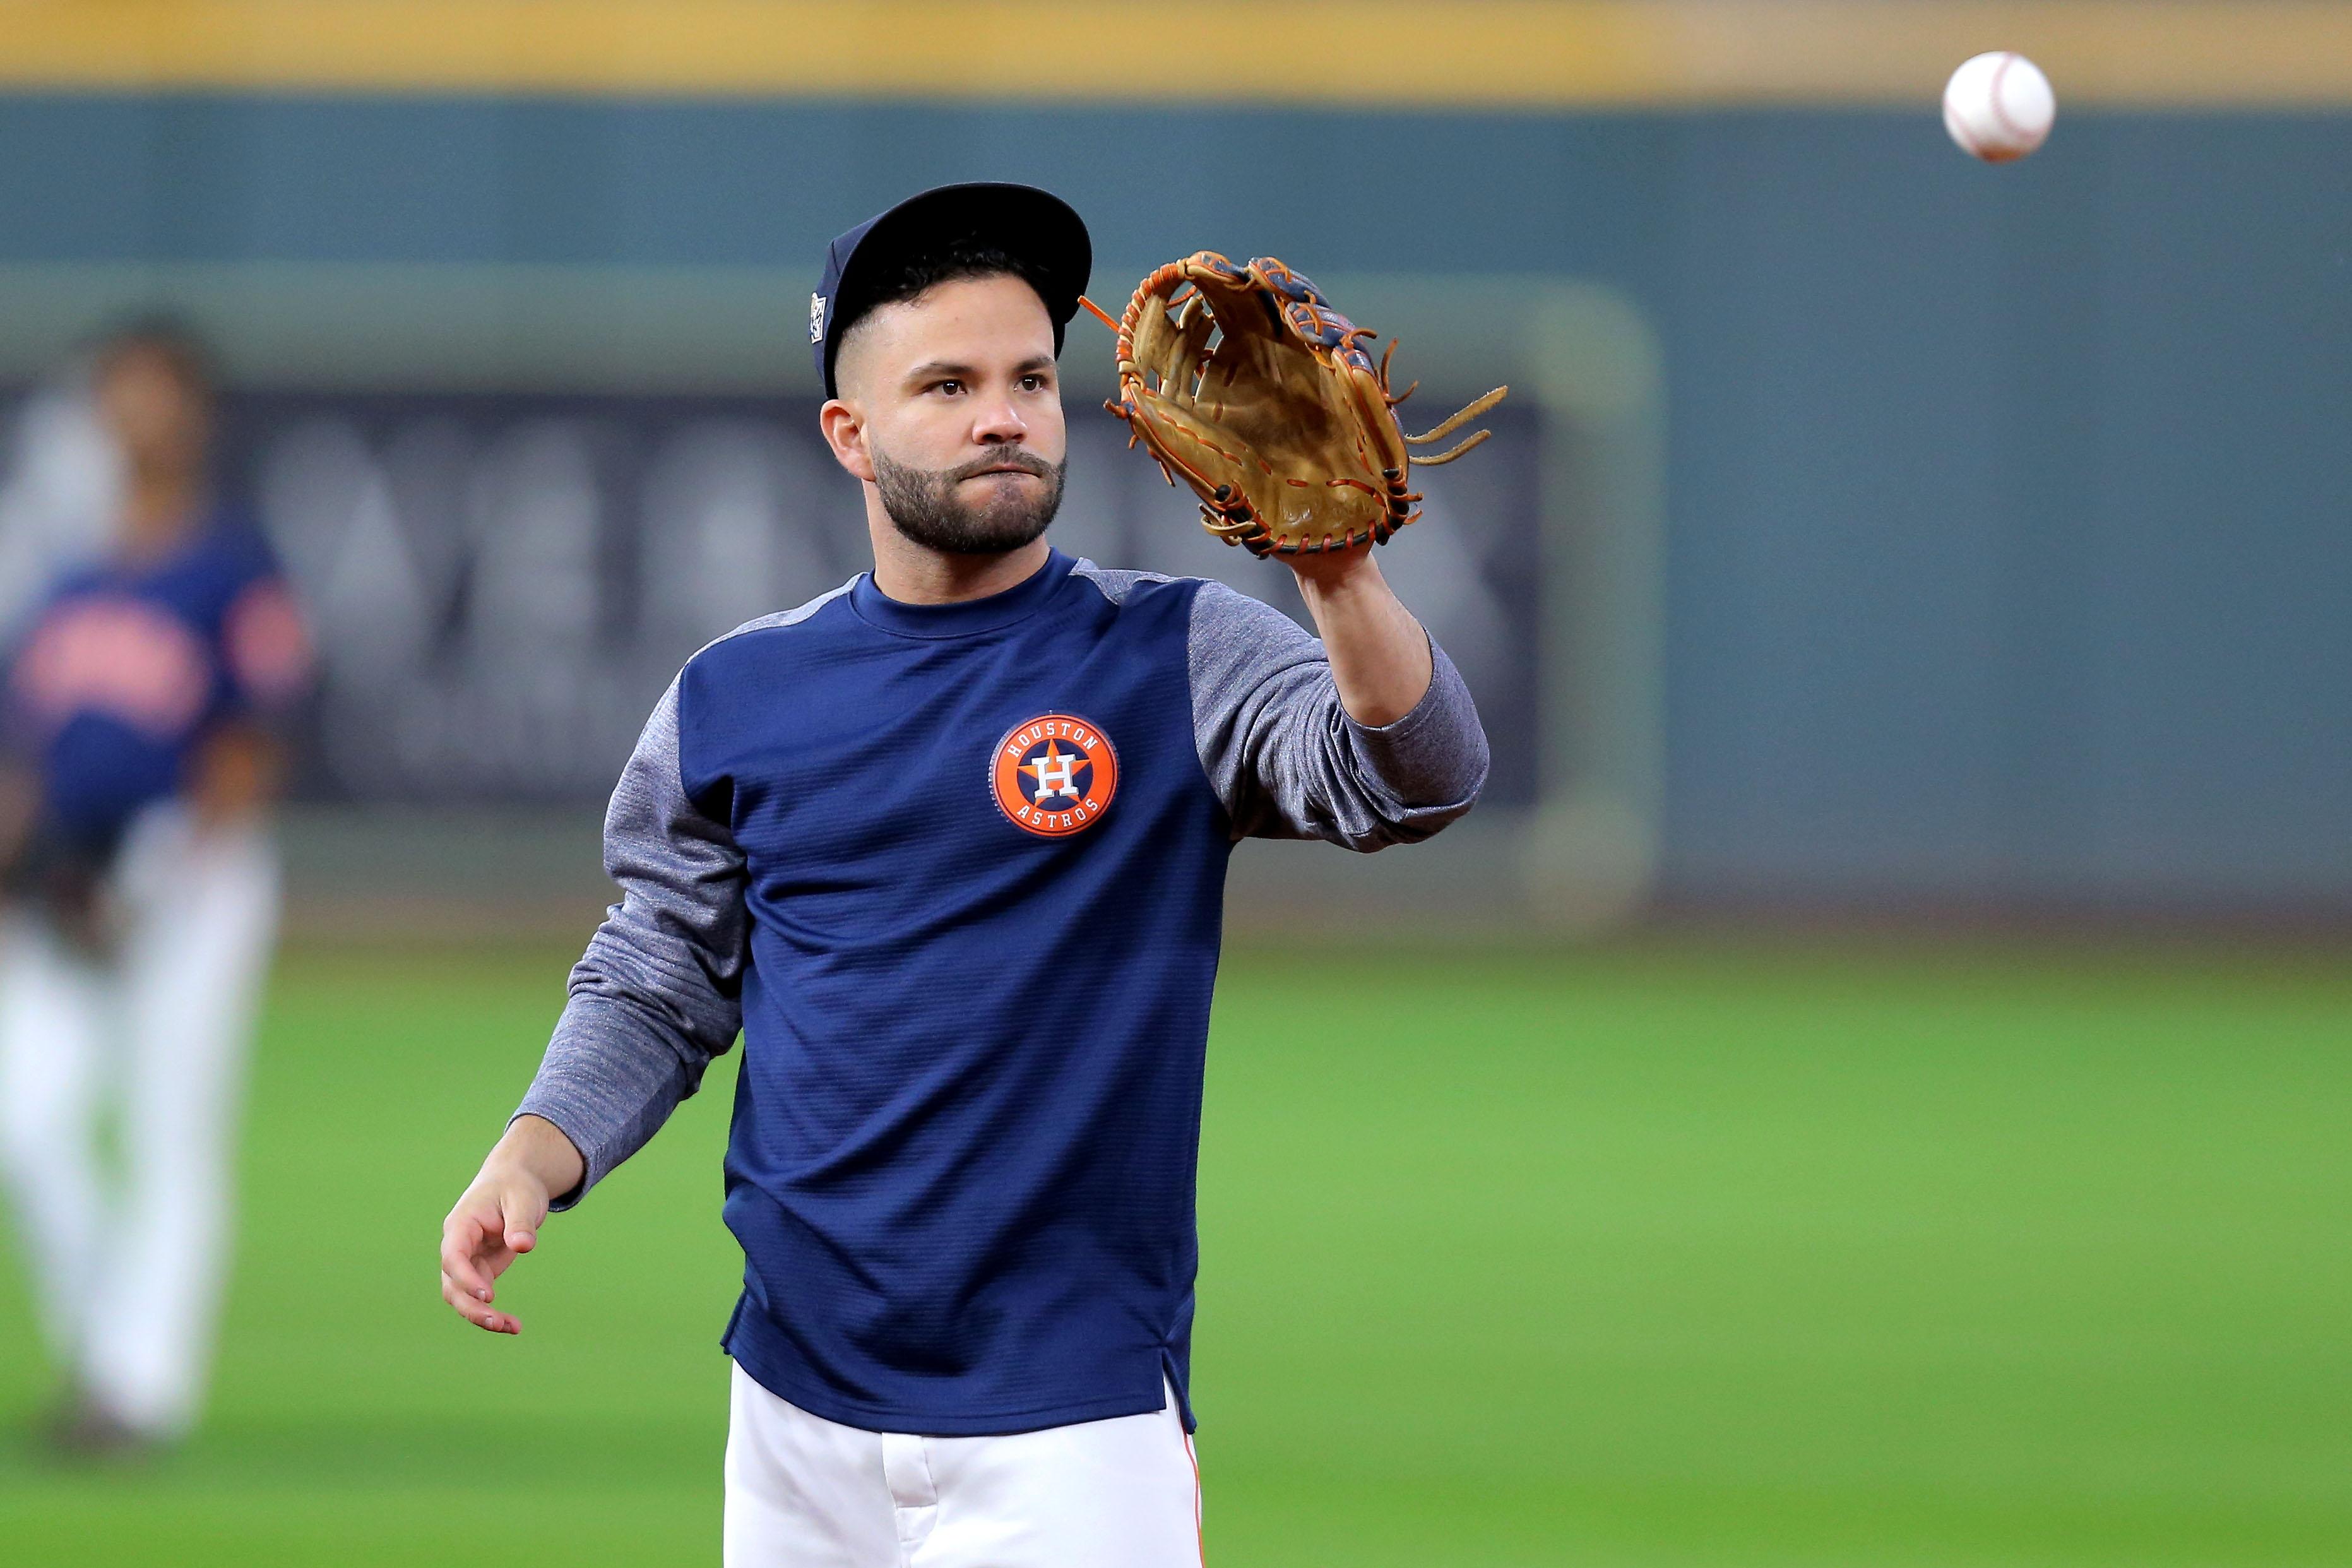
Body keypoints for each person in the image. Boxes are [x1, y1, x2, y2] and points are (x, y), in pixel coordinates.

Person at [438, 183, 1488, 1564]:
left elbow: (1420, 781)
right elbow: (660, 970)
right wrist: (535, 1150)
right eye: (948, 383)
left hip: (1073, 1418)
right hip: (794, 1405)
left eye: (1031, 379)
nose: (1005, 414)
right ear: (850, 434)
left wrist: (1340, 576)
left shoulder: (1173, 655)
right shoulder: (739, 695)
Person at [0, 321, 310, 1456]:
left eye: (154, 391)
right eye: (116, 391)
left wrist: (158, 877)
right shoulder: (72, 576)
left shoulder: (232, 563)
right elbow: (26, 754)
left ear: (195, 412)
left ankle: (140, 1392)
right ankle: (103, 1349)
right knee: (22, 1121)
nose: (132, 411)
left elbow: (256, 736)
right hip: (58, 888)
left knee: (174, 1134)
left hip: (191, 871)